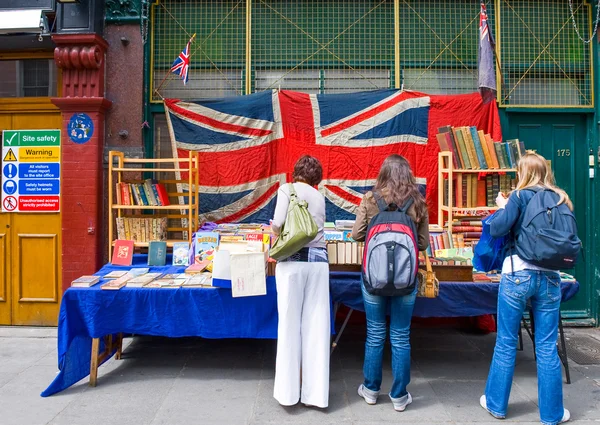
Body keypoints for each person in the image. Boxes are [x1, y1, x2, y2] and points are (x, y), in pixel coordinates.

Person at [481, 151, 571, 424]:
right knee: (545, 346)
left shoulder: (519, 197)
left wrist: (500, 206)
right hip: (551, 278)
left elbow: (497, 229)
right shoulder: (561, 198)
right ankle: (553, 414)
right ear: (545, 172)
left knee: (506, 342)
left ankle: (497, 405)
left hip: (518, 274)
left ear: (523, 173)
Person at [352, 154, 429, 412]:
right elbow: (422, 244)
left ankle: (371, 390)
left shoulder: (370, 199)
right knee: (400, 335)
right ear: (408, 174)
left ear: (383, 173)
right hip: (406, 280)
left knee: (374, 333)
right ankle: (399, 395)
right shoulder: (418, 202)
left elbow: (357, 235)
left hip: (373, 278)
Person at [271, 155, 330, 408]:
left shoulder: (287, 189)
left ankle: (288, 394)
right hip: (318, 264)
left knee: (289, 326)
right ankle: (316, 396)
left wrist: (273, 231)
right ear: (317, 177)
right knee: (316, 328)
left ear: (296, 172)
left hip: (292, 264)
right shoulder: (319, 197)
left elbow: (278, 225)